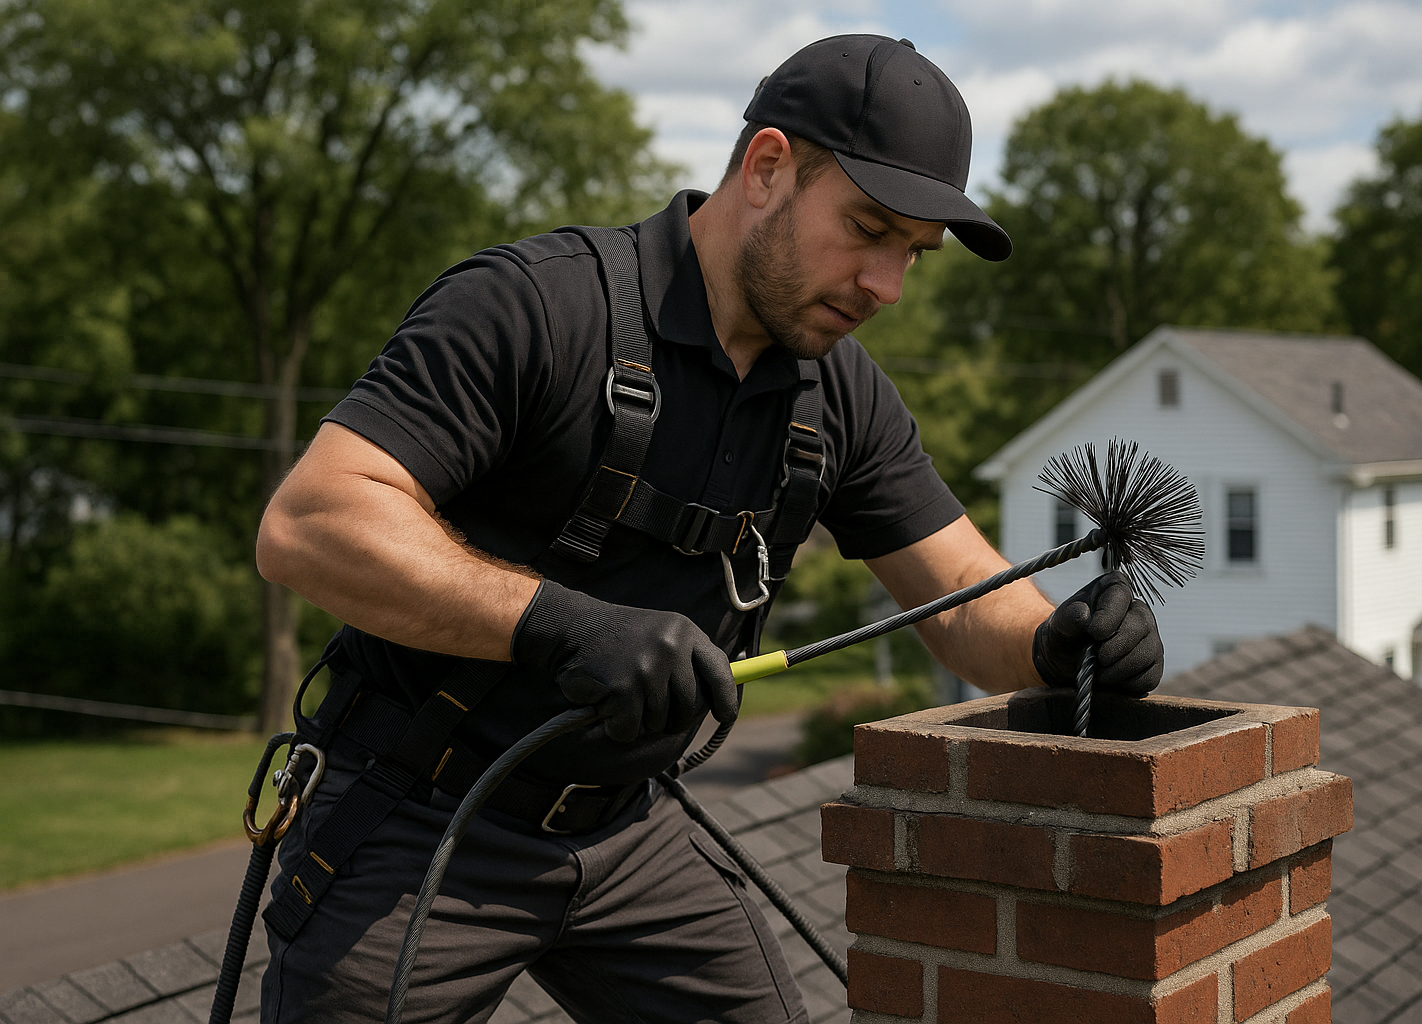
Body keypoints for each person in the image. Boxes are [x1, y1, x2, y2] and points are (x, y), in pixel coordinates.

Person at [254, 33, 1163, 1024]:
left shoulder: (838, 397)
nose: (885, 286)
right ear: (768, 166)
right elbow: (310, 522)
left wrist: (1054, 643)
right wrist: (559, 623)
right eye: (866, 228)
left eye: (911, 253)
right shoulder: (538, 308)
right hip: (418, 817)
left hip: (626, 834)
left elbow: (959, 604)